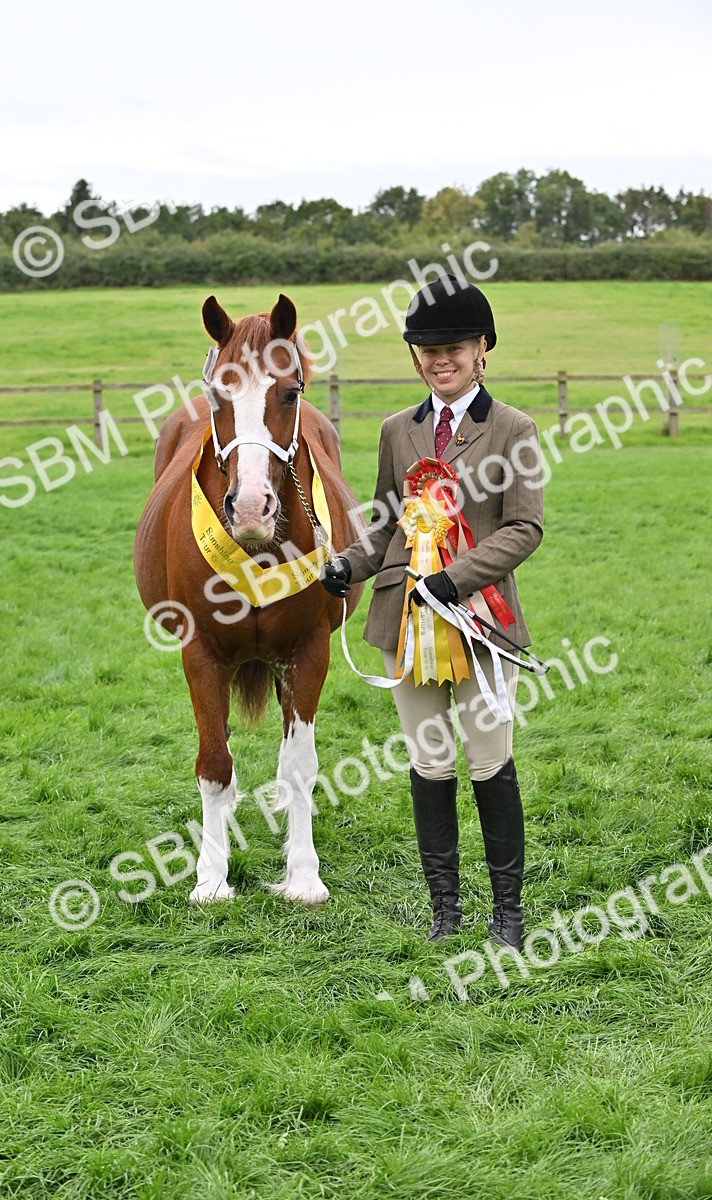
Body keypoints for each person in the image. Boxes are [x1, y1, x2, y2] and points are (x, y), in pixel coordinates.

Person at [321, 276, 543, 950]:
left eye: (454, 348)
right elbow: (388, 524)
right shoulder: (398, 430)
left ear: (481, 351)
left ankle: (508, 914)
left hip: (479, 620)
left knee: (489, 762)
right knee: (430, 764)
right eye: (428, 350)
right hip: (406, 621)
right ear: (416, 357)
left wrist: (454, 579)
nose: (440, 359)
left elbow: (524, 527)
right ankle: (445, 911)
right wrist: (348, 565)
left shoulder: (513, 429)